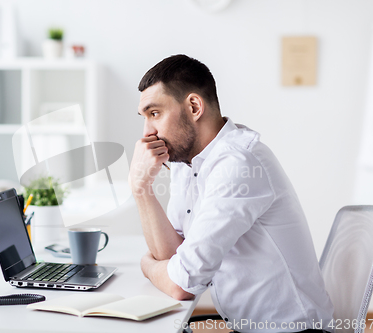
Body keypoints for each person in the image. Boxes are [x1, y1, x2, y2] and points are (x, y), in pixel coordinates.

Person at [128, 54, 334, 332]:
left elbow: (181, 284)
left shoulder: (238, 164)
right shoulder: (187, 163)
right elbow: (173, 256)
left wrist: (145, 265)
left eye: (155, 114)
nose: (147, 133)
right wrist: (141, 189)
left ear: (193, 106)